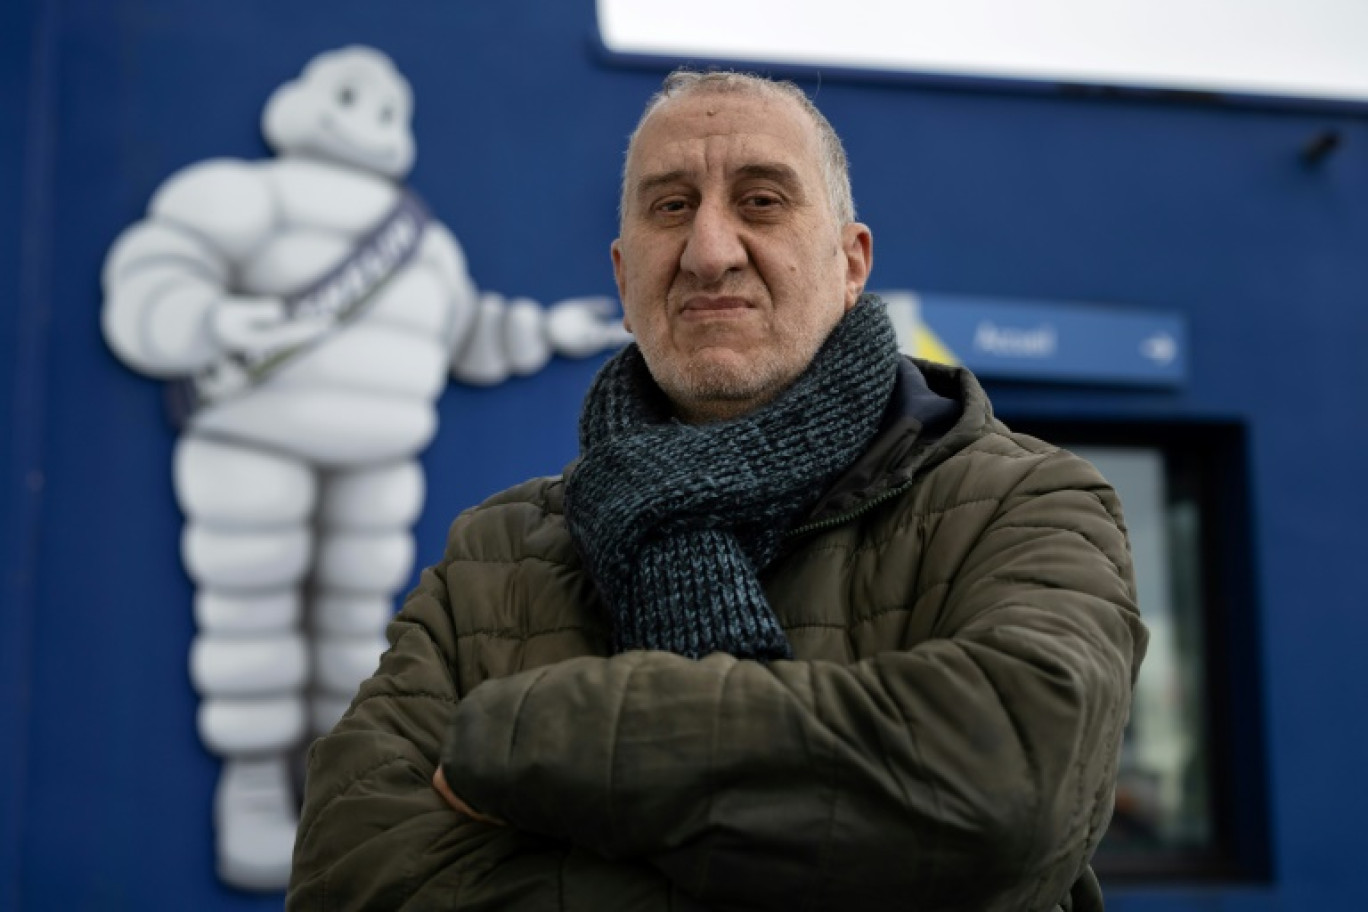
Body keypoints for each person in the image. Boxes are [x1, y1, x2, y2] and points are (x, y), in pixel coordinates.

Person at [287, 69, 1148, 911]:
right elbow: (350, 866)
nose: (709, 251)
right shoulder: (495, 554)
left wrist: (536, 734)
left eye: (762, 201)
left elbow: (1010, 791)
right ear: (625, 280)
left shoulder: (1026, 503)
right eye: (671, 207)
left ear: (851, 265)